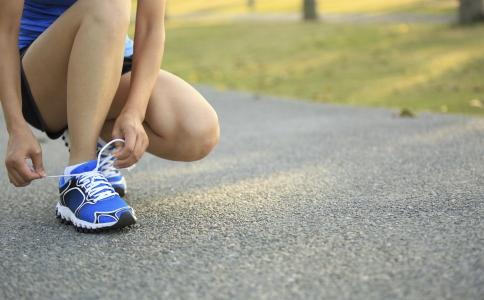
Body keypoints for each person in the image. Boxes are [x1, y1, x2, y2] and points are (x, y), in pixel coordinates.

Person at [0, 0, 220, 232]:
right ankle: (79, 174)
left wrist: (135, 111)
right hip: (40, 75)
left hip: (109, 56)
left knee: (198, 130)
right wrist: (16, 127)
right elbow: (5, 32)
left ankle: (94, 138)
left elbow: (151, 27)